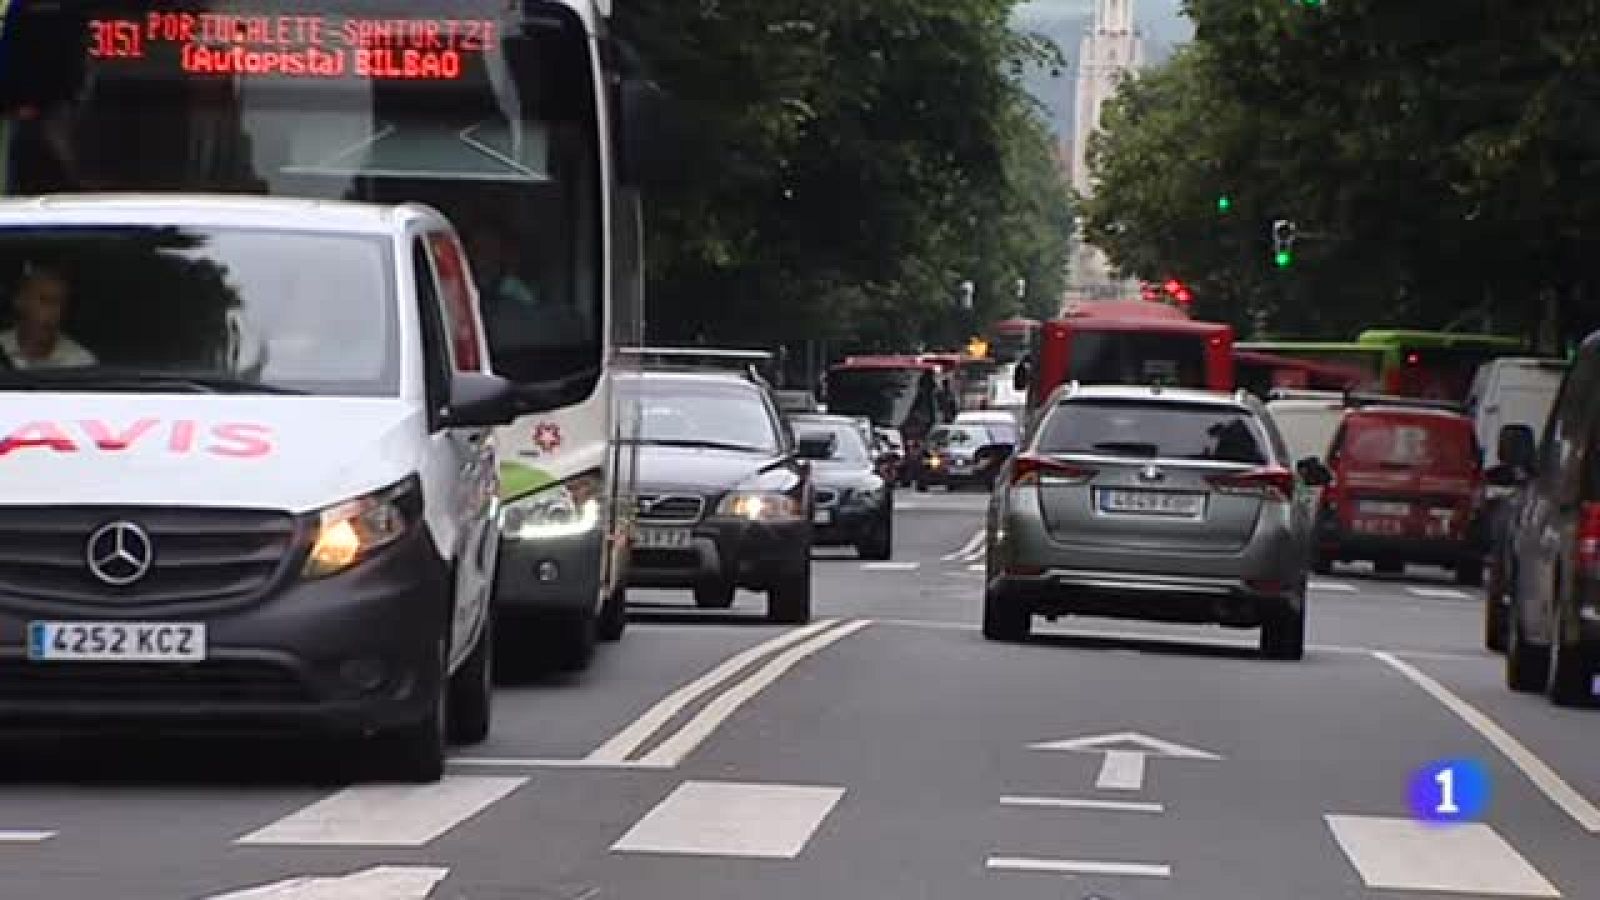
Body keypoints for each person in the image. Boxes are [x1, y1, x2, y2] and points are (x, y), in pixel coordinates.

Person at [0, 264, 96, 369]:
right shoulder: (3, 345)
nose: (54, 311)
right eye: (45, 300)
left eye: (61, 304)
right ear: (19, 302)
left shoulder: (81, 362)